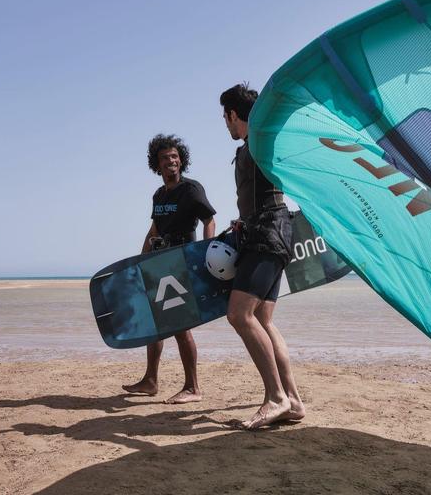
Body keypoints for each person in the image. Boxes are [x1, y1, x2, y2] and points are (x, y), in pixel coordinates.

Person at [220, 83, 305, 429]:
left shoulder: (259, 139)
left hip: (268, 234)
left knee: (239, 315)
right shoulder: (250, 145)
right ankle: (294, 400)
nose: (225, 125)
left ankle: (275, 397)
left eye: (225, 118)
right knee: (264, 321)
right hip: (269, 230)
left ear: (232, 115)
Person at [122, 134, 216, 404]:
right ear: (157, 164)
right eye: (165, 158)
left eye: (175, 156)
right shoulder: (159, 194)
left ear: (181, 160)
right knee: (157, 322)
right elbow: (154, 230)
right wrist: (139, 263)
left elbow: (209, 219)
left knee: (180, 325)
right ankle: (151, 380)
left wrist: (205, 252)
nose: (171, 161)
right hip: (160, 262)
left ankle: (193, 387)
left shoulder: (191, 189)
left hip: (182, 263)